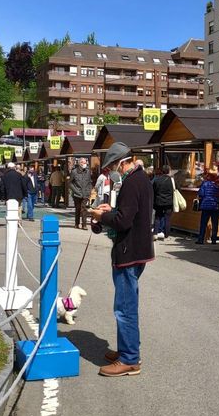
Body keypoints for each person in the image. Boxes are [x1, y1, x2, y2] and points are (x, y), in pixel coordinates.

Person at [90, 142, 154, 377]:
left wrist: (102, 215)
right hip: (138, 250)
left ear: (122, 162)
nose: (111, 170)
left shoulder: (131, 182)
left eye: (112, 166)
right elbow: (130, 214)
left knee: (124, 308)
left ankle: (129, 359)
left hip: (129, 252)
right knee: (127, 305)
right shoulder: (141, 179)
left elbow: (124, 221)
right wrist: (110, 211)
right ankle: (127, 351)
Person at [196, 168, 219, 245]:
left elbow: (201, 194)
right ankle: (214, 240)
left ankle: (201, 239)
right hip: (215, 206)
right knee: (215, 224)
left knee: (203, 223)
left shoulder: (205, 184)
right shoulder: (218, 185)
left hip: (206, 206)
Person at [151, 164, 174, 241]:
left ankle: (155, 233)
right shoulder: (171, 180)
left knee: (157, 217)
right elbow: (174, 190)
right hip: (168, 202)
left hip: (159, 201)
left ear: (162, 171)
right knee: (167, 218)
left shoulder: (157, 180)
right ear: (168, 171)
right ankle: (166, 234)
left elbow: (153, 190)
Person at [69, 158, 93, 230]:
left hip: (85, 193)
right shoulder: (74, 172)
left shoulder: (88, 171)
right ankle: (77, 223)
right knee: (78, 209)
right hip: (77, 194)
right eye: (83, 162)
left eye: (86, 162)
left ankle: (84, 225)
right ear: (80, 163)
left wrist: (89, 191)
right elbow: (70, 183)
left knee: (84, 209)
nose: (85, 164)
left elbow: (89, 182)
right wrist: (76, 191)